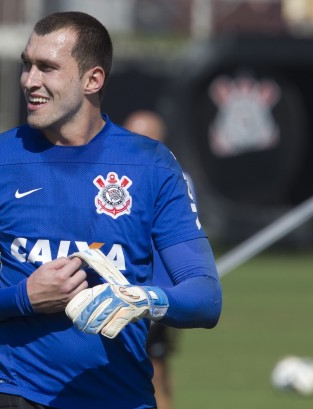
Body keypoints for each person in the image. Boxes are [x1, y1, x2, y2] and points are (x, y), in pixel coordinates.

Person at [0, 11, 222, 409]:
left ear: (92, 80)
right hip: (16, 394)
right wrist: (23, 297)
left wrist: (143, 299)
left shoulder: (152, 165)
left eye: (47, 68)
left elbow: (205, 297)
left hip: (123, 398)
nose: (30, 81)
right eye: (26, 65)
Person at [123, 110, 187, 409]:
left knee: (154, 370)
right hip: (111, 286)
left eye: (146, 137)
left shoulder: (173, 179)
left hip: (153, 291)